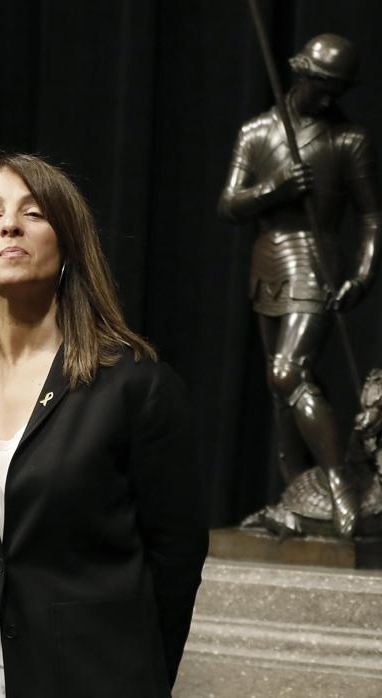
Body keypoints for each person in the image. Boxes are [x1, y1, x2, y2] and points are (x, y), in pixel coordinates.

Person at [0, 154, 207, 697]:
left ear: (68, 244)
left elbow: (176, 556)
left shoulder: (136, 385)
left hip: (94, 675)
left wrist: (139, 671)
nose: (10, 226)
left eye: (34, 213)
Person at [218, 33, 381, 538]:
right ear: (300, 72)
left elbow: (372, 216)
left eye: (339, 88)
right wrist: (275, 189)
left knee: (288, 372)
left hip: (318, 260)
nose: (329, 97)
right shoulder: (258, 131)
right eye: (322, 83)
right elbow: (229, 204)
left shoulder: (347, 140)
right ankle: (294, 501)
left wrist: (364, 272)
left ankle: (339, 488)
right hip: (267, 264)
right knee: (278, 387)